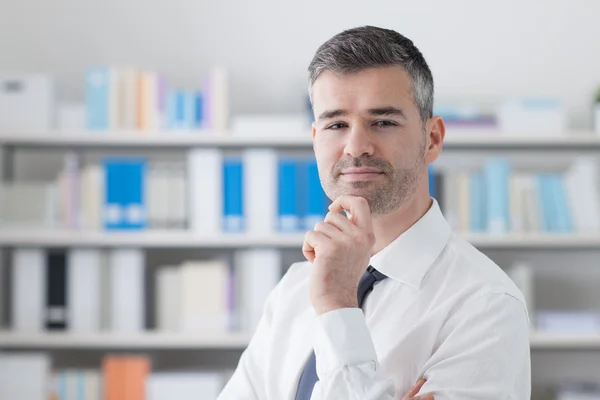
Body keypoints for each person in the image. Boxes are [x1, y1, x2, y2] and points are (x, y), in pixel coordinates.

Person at [218, 25, 531, 400]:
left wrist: (338, 307)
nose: (356, 146)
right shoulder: (295, 288)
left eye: (383, 122)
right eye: (336, 124)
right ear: (316, 140)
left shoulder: (485, 305)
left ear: (431, 139)